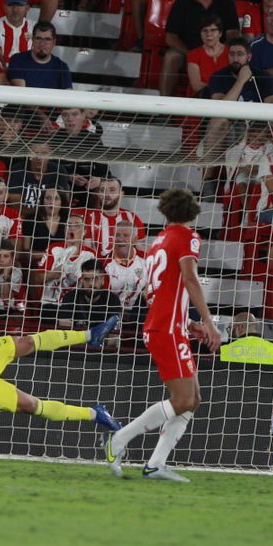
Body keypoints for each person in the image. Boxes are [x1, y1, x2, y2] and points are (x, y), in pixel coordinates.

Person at [104, 188, 223, 483]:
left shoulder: (158, 242)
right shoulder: (187, 237)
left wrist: (188, 324)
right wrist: (208, 322)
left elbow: (152, 291)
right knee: (182, 400)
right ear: (193, 212)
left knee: (191, 399)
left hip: (167, 325)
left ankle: (156, 464)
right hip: (166, 329)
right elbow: (190, 278)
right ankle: (118, 439)